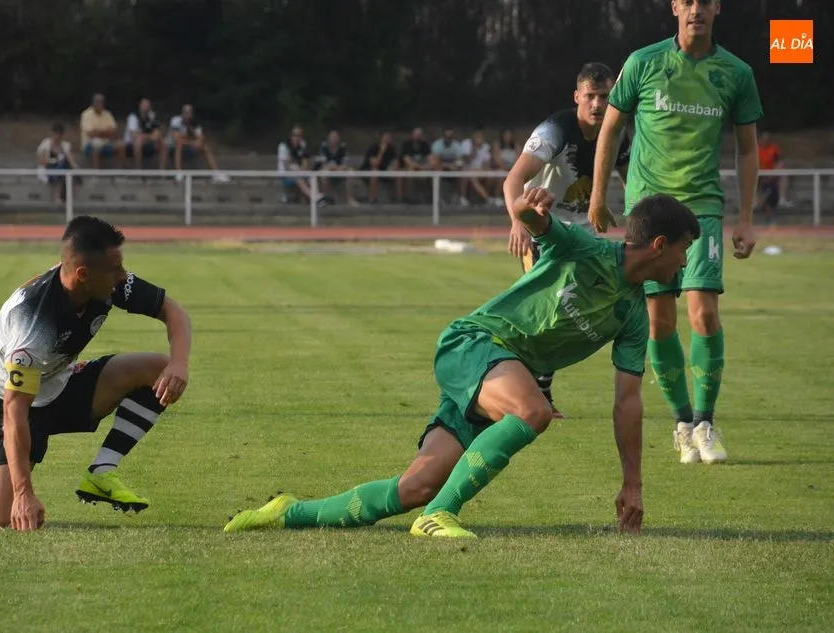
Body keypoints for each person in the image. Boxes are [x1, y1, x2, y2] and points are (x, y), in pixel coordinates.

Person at [224, 192, 701, 539]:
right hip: (473, 343)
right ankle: (440, 515)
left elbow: (627, 401)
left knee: (415, 486)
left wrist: (632, 483)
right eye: (683, 251)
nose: (684, 264)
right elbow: (536, 223)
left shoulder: (636, 315)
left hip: (500, 372)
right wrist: (529, 211)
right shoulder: (586, 249)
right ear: (659, 244)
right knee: (532, 412)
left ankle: (289, 512)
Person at [0, 216, 193, 531]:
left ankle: (101, 472)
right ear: (83, 274)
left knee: (159, 368)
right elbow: (15, 408)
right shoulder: (33, 324)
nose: (123, 276)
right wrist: (23, 493)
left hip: (58, 384)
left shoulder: (108, 282)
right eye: (115, 270)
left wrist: (179, 363)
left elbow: (175, 312)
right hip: (7, 401)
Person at [588, 0, 762, 465]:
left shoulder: (736, 73)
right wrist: (598, 196)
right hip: (647, 211)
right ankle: (683, 424)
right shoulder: (642, 62)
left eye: (704, 1)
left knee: (703, 314)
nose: (696, 10)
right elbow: (610, 130)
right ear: (674, 8)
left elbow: (747, 149)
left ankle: (706, 422)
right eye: (687, 1)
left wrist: (745, 216)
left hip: (701, 208)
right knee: (660, 322)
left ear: (717, 8)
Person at [503, 62, 632, 418]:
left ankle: (533, 383)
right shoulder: (556, 130)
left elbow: (634, 185)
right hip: (543, 227)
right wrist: (517, 221)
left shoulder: (617, 133)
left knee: (588, 305)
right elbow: (513, 179)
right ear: (577, 97)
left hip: (586, 232)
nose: (597, 104)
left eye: (604, 96)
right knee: (552, 304)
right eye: (590, 96)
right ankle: (525, 388)